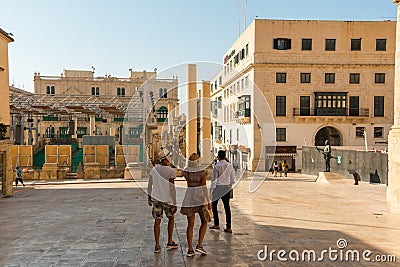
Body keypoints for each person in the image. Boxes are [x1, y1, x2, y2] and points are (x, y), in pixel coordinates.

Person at [147, 150, 179, 253]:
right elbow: (172, 188)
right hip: (167, 200)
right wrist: (174, 202)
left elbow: (150, 184)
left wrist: (149, 197)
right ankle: (170, 241)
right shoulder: (170, 171)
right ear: (164, 159)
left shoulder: (154, 170)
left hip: (156, 199)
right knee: (171, 218)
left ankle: (157, 245)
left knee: (157, 221)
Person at [180, 153, 211, 257]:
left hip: (189, 197)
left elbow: (189, 182)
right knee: (204, 221)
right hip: (200, 198)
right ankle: (200, 245)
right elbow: (203, 187)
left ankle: (190, 249)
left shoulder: (186, 171)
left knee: (190, 225)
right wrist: (208, 200)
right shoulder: (202, 172)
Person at [209, 150, 235, 233]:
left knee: (214, 205)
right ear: (225, 156)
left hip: (218, 187)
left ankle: (216, 224)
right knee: (227, 207)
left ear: (218, 157)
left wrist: (211, 191)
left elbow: (214, 179)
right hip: (226, 187)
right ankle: (229, 226)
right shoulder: (229, 165)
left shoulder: (217, 166)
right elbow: (232, 178)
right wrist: (230, 187)